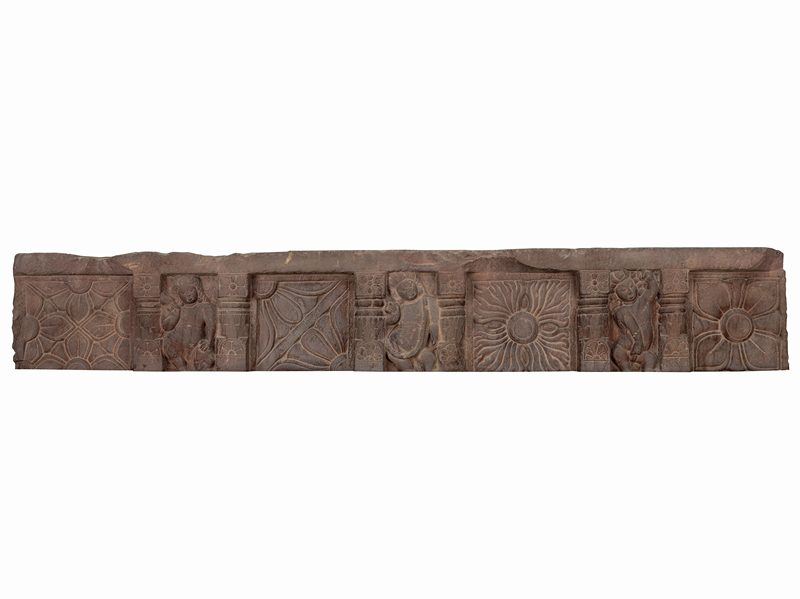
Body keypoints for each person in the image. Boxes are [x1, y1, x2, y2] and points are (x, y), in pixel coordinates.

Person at [161, 276, 216, 371]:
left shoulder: (205, 307)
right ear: (178, 295)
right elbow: (166, 327)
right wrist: (174, 316)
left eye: (191, 290)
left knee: (208, 357)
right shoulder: (176, 308)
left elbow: (211, 325)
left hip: (196, 346)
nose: (187, 294)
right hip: (176, 343)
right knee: (167, 343)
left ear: (198, 290)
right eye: (183, 293)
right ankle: (182, 369)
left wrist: (208, 340)